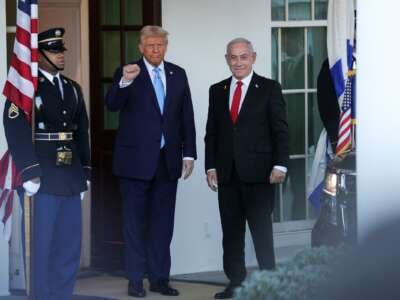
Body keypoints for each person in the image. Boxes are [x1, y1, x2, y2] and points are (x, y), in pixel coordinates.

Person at [105, 25, 196, 298]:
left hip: (167, 162)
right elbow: (112, 104)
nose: (156, 50)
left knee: (162, 224)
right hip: (134, 163)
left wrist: (188, 154)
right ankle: (135, 281)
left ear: (165, 46)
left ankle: (159, 279)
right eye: (151, 45)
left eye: (160, 45)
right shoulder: (128, 72)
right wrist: (124, 82)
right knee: (134, 224)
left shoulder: (177, 73)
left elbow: (186, 116)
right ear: (141, 48)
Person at [3, 27, 90, 300]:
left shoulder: (73, 89)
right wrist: (28, 170)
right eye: (53, 51)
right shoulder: (26, 88)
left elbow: (81, 132)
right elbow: (14, 125)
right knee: (41, 246)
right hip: (41, 175)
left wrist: (84, 171)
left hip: (69, 176)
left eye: (61, 50)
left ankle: (62, 294)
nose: (60, 56)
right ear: (38, 55)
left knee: (68, 245)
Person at [205, 38, 289, 299]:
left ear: (254, 57)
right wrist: (210, 167)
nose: (238, 62)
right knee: (231, 233)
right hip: (227, 175)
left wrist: (280, 164)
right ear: (226, 59)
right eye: (233, 57)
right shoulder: (217, 90)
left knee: (261, 233)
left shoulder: (269, 88)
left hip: (260, 174)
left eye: (243, 56)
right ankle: (236, 283)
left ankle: (269, 284)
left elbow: (280, 130)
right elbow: (213, 133)